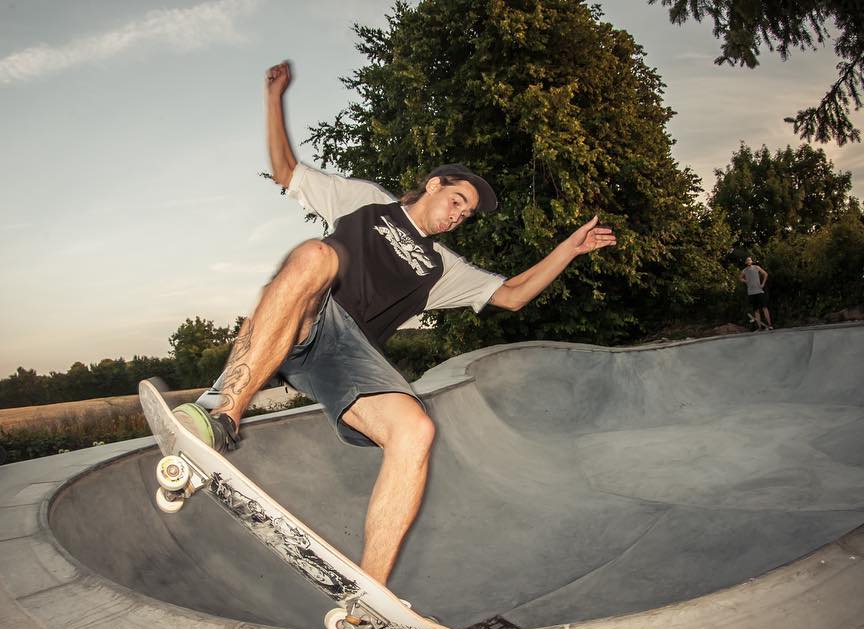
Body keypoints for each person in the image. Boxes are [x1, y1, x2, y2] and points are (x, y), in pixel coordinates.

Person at [176, 61, 616, 585]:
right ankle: (220, 413)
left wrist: (569, 248)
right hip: (305, 314)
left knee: (416, 429)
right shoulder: (367, 201)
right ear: (434, 185)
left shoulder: (442, 268)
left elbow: (514, 294)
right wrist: (273, 96)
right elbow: (285, 170)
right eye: (457, 201)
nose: (457, 216)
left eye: (465, 215)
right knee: (317, 256)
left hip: (346, 357)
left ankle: (370, 595)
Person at [739, 256, 773, 330]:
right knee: (756, 310)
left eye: (749, 260)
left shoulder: (756, 267)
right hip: (751, 293)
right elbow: (740, 278)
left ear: (751, 261)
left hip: (759, 291)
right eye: (747, 260)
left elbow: (765, 274)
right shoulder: (744, 271)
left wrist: (763, 284)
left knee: (764, 308)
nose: (748, 261)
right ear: (746, 263)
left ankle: (770, 324)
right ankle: (760, 327)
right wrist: (745, 281)